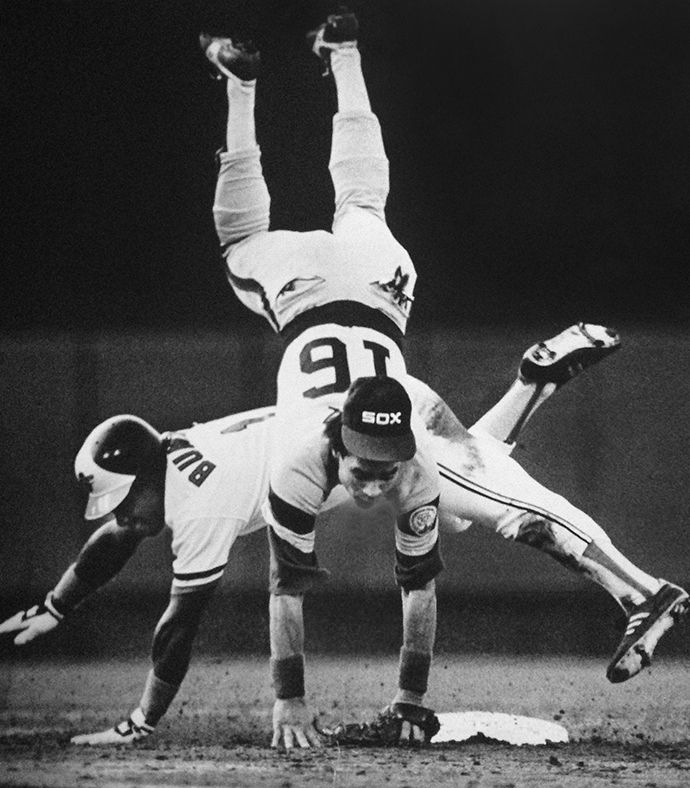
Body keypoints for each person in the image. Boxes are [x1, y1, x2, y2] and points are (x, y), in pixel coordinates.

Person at [199, 8, 686, 750]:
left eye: (375, 474)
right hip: (383, 328)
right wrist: (297, 700)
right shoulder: (309, 462)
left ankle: (643, 589)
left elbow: (364, 588)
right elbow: (331, 591)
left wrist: (398, 700)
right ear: (339, 441)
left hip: (371, 365)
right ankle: (345, 55)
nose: (365, 489)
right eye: (365, 474)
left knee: (505, 510)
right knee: (361, 202)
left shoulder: (342, 465)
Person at [0, 326, 631, 747]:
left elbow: (181, 622)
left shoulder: (204, 507)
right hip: (330, 434)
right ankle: (530, 382)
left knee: (470, 504)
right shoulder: (167, 451)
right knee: (468, 491)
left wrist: (142, 722)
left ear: (143, 479)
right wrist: (57, 605)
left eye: (123, 501)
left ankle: (533, 388)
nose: (123, 516)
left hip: (332, 450)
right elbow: (118, 533)